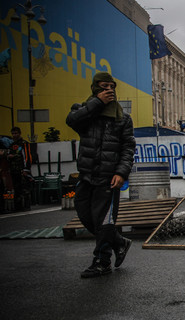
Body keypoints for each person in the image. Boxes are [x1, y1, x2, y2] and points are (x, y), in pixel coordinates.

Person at [66, 72, 136, 278]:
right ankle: (120, 242)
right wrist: (97, 103)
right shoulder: (84, 111)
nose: (109, 90)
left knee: (104, 220)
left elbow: (128, 148)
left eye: (112, 87)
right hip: (86, 174)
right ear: (95, 88)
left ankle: (102, 261)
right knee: (85, 215)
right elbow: (72, 121)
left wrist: (121, 173)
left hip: (108, 178)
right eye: (104, 86)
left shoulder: (122, 118)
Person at [7, 127, 33, 211]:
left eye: (16, 133)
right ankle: (17, 207)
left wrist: (26, 169)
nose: (14, 135)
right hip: (14, 170)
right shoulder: (11, 145)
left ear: (19, 133)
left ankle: (26, 205)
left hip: (22, 170)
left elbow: (27, 157)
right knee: (16, 188)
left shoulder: (24, 144)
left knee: (24, 188)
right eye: (13, 133)